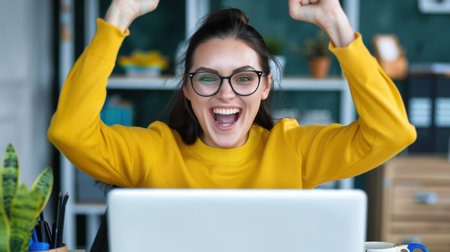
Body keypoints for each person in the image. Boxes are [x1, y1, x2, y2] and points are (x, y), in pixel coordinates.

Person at [48, 0, 416, 190]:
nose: (226, 94)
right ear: (188, 87)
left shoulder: (294, 151)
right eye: (208, 78)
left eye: (243, 78)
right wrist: (120, 15)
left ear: (266, 85)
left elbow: (392, 133)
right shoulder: (154, 152)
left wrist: (337, 24)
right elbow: (69, 132)